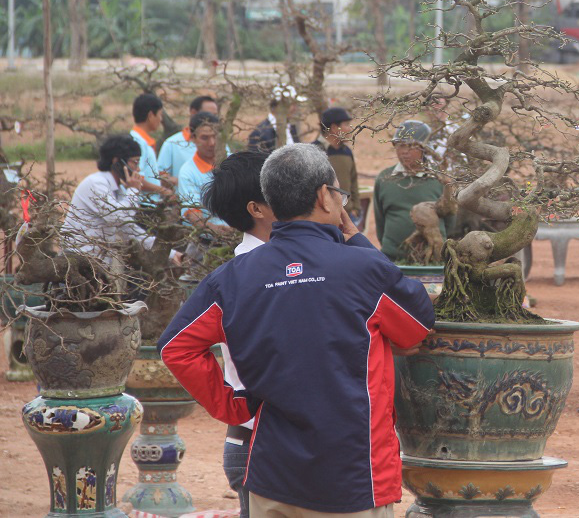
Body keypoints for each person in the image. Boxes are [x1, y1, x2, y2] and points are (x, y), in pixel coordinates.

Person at [159, 143, 435, 517]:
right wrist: (361, 245)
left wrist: (234, 403)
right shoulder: (363, 270)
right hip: (352, 478)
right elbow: (417, 328)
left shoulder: (232, 279)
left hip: (272, 476)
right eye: (339, 192)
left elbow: (175, 347)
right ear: (325, 196)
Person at [200, 150, 273, 518]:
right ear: (257, 209)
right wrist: (230, 403)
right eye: (281, 187)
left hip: (253, 440)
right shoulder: (251, 275)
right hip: (257, 443)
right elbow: (177, 348)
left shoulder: (261, 265)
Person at [60, 134, 180, 264]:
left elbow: (130, 229)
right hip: (78, 257)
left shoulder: (120, 190)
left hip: (98, 260)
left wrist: (171, 253)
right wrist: (134, 189)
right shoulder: (96, 184)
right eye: (134, 162)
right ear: (117, 162)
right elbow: (118, 218)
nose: (138, 169)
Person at [373, 120, 447, 262]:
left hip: (432, 259)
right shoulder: (384, 179)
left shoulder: (440, 179)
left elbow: (450, 219)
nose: (405, 151)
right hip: (393, 258)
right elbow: (380, 220)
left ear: (425, 149)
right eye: (400, 145)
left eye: (411, 146)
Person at [176, 112, 233, 236]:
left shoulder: (232, 162)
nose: (212, 143)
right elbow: (192, 213)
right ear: (192, 137)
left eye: (215, 136)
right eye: (205, 137)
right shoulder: (188, 172)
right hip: (206, 242)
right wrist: (213, 228)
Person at [313, 106, 361, 222]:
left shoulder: (347, 151)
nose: (350, 128)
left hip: (348, 216)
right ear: (334, 127)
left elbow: (353, 180)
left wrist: (356, 208)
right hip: (322, 218)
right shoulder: (313, 151)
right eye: (346, 124)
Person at [157, 95, 220, 183]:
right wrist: (184, 181)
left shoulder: (221, 144)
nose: (211, 119)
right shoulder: (172, 143)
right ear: (193, 112)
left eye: (215, 115)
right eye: (207, 114)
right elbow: (160, 175)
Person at [130, 93, 174, 199]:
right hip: (144, 205)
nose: (160, 119)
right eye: (159, 114)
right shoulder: (139, 142)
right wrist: (163, 191)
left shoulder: (139, 139)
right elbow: (137, 178)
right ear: (150, 115)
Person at [247, 84, 305, 153]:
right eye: (292, 104)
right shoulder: (259, 135)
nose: (295, 108)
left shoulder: (291, 128)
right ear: (278, 106)